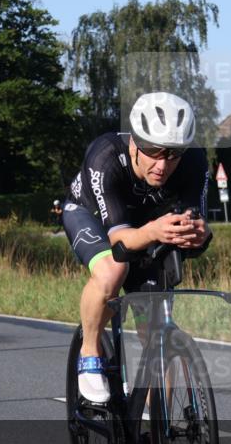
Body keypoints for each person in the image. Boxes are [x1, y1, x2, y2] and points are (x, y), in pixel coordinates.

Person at [63, 92, 212, 404]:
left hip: (146, 222)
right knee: (113, 269)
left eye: (172, 154)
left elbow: (191, 222)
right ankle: (90, 352)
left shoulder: (194, 160)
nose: (162, 164)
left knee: (156, 323)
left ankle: (159, 424)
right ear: (134, 144)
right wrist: (154, 231)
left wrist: (198, 235)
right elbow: (119, 240)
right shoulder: (105, 155)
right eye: (153, 152)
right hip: (92, 216)